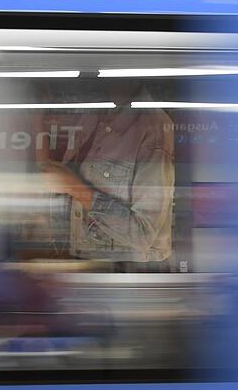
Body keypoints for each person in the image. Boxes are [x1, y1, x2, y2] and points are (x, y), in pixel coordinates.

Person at [34, 81, 175, 268]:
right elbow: (56, 177)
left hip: (130, 272)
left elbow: (143, 234)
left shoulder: (153, 128)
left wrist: (78, 189)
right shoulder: (94, 114)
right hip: (86, 260)